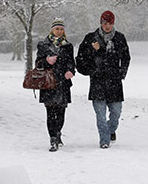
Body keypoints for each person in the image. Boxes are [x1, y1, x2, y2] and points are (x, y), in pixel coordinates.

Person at [75, 10, 131, 149]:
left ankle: (111, 130)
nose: (107, 26)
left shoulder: (119, 38)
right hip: (98, 82)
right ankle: (104, 140)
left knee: (116, 113)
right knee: (100, 115)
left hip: (114, 82)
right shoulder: (91, 38)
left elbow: (125, 57)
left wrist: (121, 73)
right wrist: (92, 65)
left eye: (110, 23)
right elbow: (81, 58)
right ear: (101, 23)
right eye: (105, 23)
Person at [35, 18, 75, 152]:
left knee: (61, 112)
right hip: (48, 83)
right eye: (57, 28)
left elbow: (71, 62)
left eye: (61, 29)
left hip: (63, 83)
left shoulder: (68, 46)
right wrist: (47, 61)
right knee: (50, 113)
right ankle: (53, 138)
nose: (59, 31)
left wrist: (70, 71)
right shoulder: (43, 45)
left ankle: (58, 133)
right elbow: (38, 64)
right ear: (52, 29)